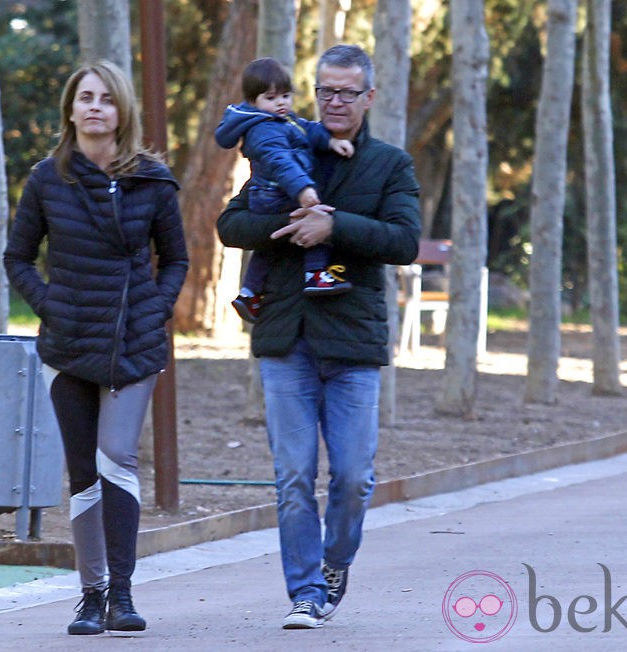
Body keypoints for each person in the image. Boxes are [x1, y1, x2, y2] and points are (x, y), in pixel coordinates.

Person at [217, 44, 421, 629]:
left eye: (346, 92)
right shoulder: (279, 145)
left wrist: (336, 225)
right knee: (293, 477)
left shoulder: (390, 164)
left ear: (368, 98)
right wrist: (289, 230)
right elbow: (230, 225)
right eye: (325, 91)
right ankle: (305, 591)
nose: (334, 102)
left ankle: (335, 564)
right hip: (286, 339)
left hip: (353, 344)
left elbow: (404, 241)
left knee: (354, 478)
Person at [3, 60, 188, 636]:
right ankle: (90, 596)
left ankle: (123, 596)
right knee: (83, 471)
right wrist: (51, 305)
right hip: (67, 344)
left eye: (106, 99)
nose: (94, 107)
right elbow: (18, 257)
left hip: (134, 343)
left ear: (121, 111)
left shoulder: (153, 181)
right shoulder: (46, 179)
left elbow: (176, 258)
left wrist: (154, 310)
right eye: (85, 97)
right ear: (70, 110)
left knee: (117, 457)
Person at [214, 57, 355, 324]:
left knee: (269, 246)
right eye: (271, 97)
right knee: (315, 219)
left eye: (286, 96)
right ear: (253, 101)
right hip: (277, 192)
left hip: (270, 193)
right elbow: (281, 163)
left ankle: (249, 293)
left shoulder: (284, 121)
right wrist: (303, 190)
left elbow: (310, 130)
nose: (281, 103)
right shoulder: (263, 130)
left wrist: (331, 141)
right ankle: (315, 273)